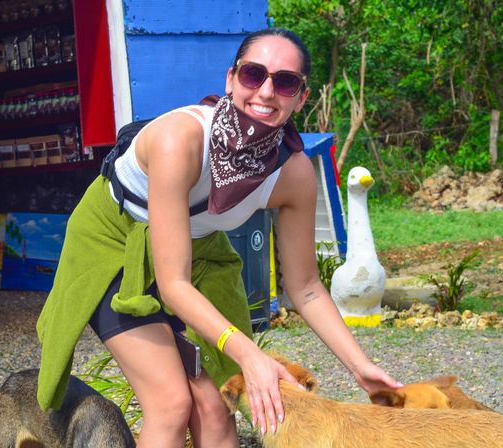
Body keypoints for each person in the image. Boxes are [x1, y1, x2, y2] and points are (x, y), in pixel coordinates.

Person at [36, 27, 402, 447]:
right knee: (171, 404)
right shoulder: (182, 139)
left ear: (300, 98)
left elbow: (306, 288)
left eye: (284, 82)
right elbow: (174, 285)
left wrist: (360, 367)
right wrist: (249, 355)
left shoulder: (295, 174)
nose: (266, 91)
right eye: (253, 75)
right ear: (231, 80)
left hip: (198, 253)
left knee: (215, 407)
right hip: (115, 244)